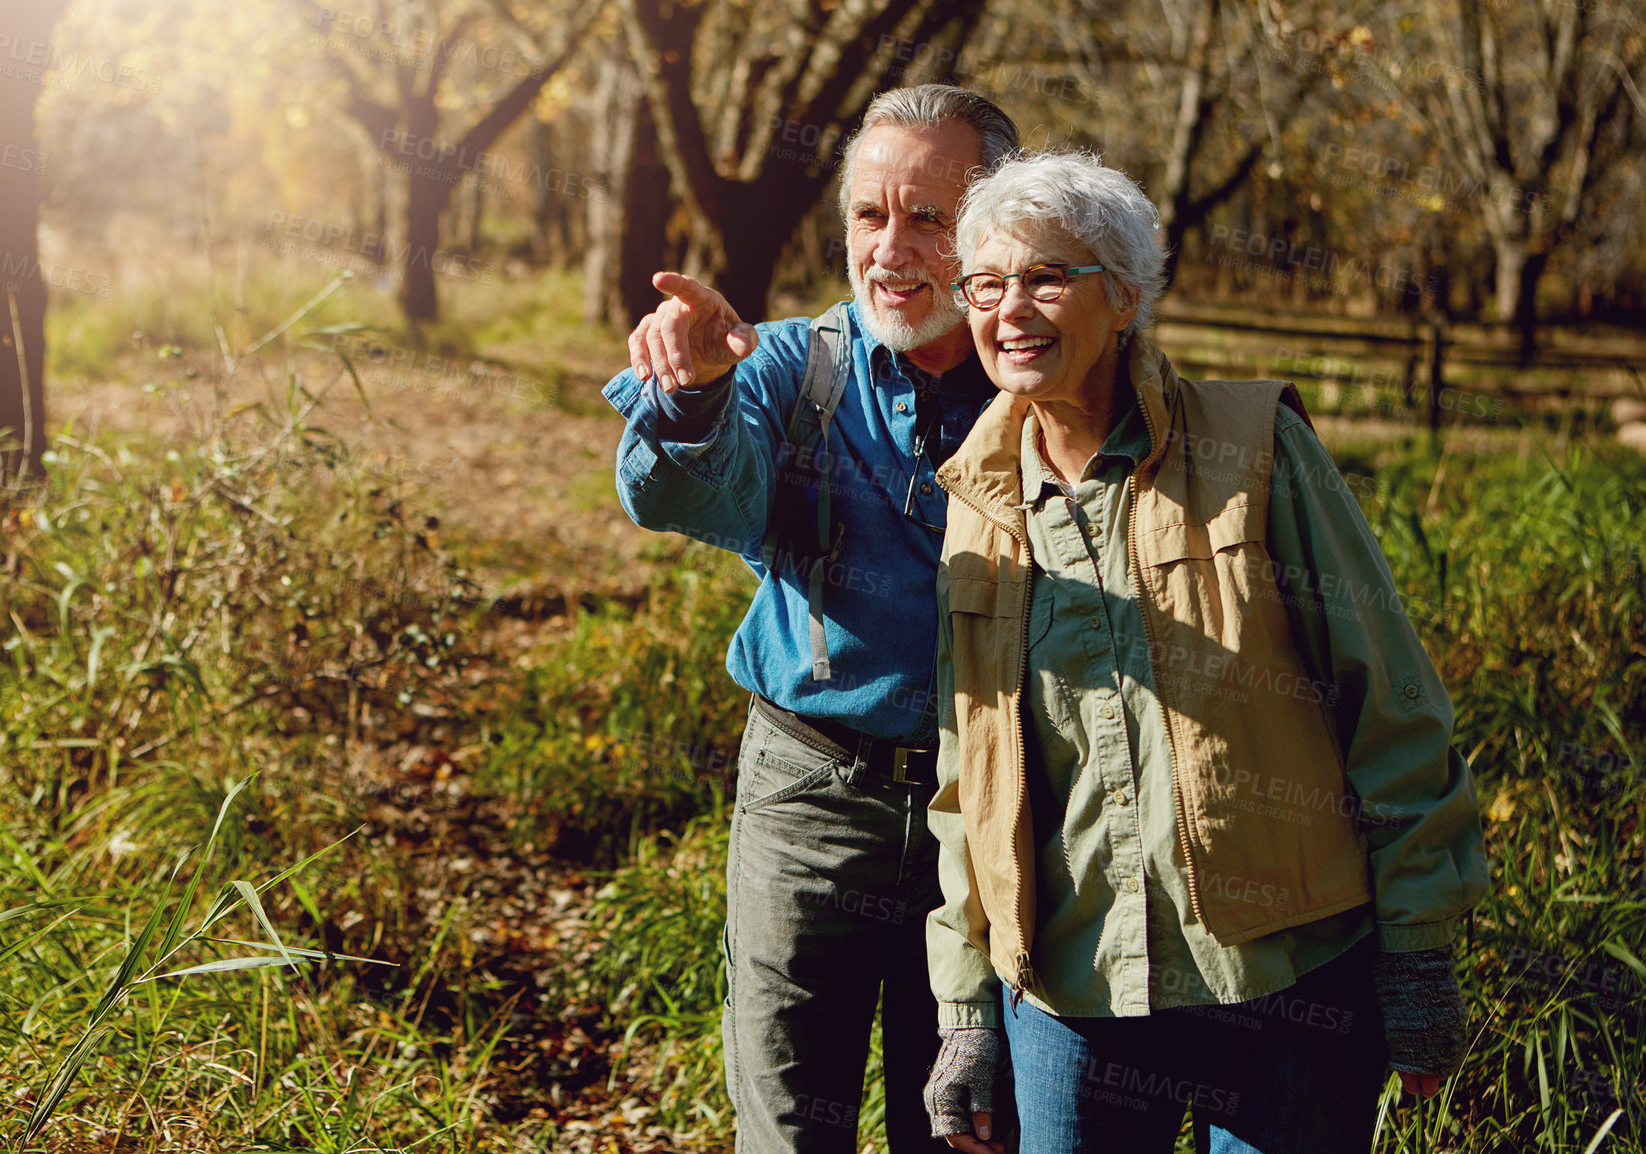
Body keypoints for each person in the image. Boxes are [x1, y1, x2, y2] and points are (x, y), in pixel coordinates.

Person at [918, 150, 1490, 1153]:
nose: (1011, 306)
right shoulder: (976, 501)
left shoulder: (1253, 447)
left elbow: (1389, 704)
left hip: (1285, 984)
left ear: (1125, 296)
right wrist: (965, 1005)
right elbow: (970, 777)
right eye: (986, 283)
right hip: (1072, 993)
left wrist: (1415, 960)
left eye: (1047, 275)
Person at [603, 86, 1020, 1152]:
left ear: (996, 226)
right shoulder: (790, 366)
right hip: (809, 800)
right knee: (791, 1128)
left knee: (967, 1128)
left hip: (999, 815)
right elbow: (687, 492)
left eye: (929, 216)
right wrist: (692, 388)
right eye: (868, 216)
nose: (890, 248)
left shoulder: (1046, 388)